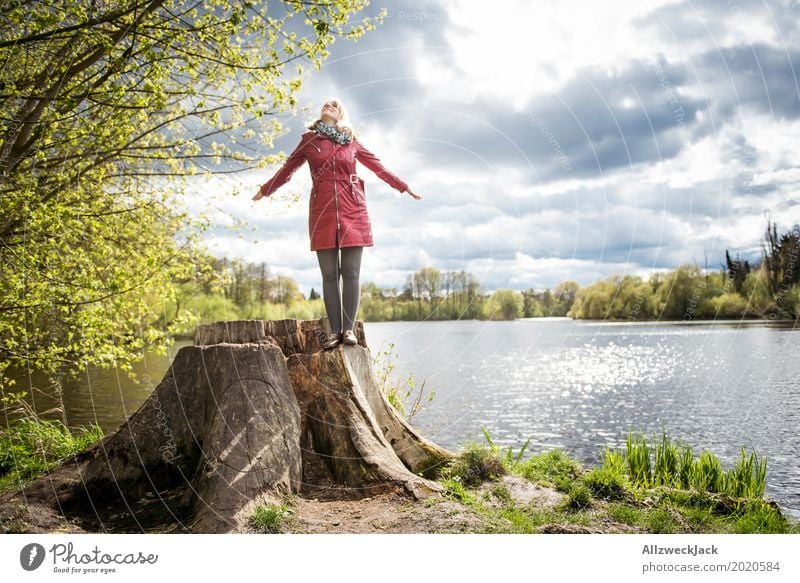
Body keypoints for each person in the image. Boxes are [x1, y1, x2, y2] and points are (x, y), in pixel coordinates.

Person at [253, 98, 422, 349]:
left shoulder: (351, 141)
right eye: (325, 104)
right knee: (330, 274)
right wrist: (265, 190)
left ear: (341, 113)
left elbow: (377, 167)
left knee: (351, 272)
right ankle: (334, 332)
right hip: (322, 212)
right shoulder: (309, 141)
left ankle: (349, 331)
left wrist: (403, 186)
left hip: (354, 210)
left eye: (334, 104)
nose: (328, 105)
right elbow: (287, 169)